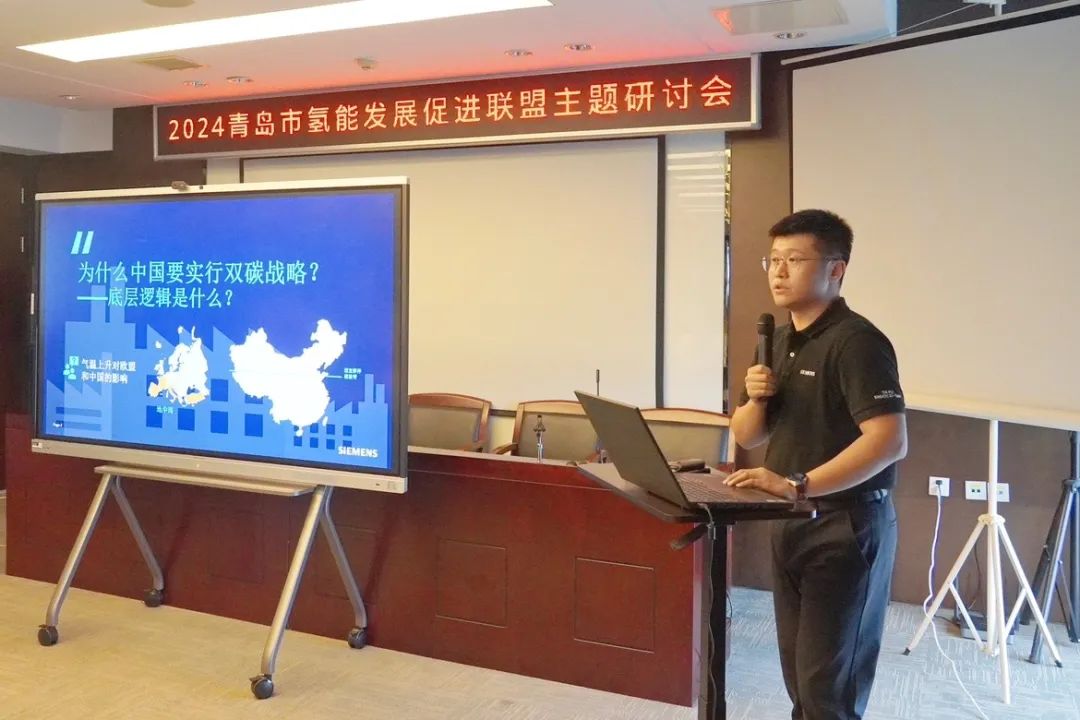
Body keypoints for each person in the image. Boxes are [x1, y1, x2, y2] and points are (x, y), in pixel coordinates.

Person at [724, 209, 907, 720]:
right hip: (790, 521)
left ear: (835, 269)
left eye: (795, 259)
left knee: (830, 687)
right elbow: (747, 434)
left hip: (844, 526)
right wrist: (756, 398)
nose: (779, 272)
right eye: (773, 260)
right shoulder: (779, 340)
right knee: (800, 677)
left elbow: (889, 441)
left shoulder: (857, 342)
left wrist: (797, 484)